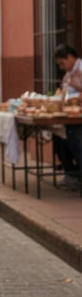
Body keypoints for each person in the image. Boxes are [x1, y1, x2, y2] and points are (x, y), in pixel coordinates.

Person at [53, 44, 82, 190]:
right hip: (70, 114)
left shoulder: (80, 69)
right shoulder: (69, 73)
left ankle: (75, 173)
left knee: (73, 136)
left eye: (62, 63)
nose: (61, 67)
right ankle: (71, 173)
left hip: (78, 117)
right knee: (58, 136)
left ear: (70, 57)